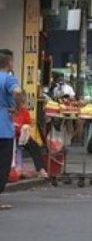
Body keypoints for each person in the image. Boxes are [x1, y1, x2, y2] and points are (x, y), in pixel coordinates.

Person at [1, 48, 25, 210]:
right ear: (9, 62)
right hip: (3, 128)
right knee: (2, 165)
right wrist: (17, 106)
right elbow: (17, 92)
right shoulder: (8, 79)